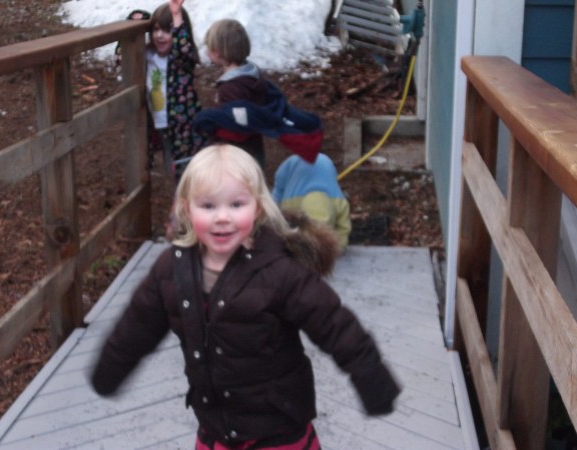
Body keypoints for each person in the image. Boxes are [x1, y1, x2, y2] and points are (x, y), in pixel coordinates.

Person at [90, 144, 400, 449]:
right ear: (186, 209)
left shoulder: (279, 272)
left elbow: (334, 324)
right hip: (216, 427)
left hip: (278, 427)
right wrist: (111, 368)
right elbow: (137, 324)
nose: (222, 217)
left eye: (236, 204)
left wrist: (371, 377)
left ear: (258, 208)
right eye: (208, 206)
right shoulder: (171, 270)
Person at [194, 19, 323, 169]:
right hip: (254, 150)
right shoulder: (252, 74)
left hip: (237, 157)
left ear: (218, 52)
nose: (207, 51)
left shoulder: (231, 88)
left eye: (209, 48)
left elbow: (238, 129)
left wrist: (213, 124)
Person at [142, 0, 204, 180]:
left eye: (167, 30)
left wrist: (177, 16)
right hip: (160, 122)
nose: (160, 35)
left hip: (182, 125)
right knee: (171, 164)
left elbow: (182, 49)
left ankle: (188, 194)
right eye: (156, 30)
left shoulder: (180, 60)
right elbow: (126, 47)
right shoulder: (149, 55)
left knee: (186, 169)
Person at [273, 153, 352, 253]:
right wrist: (337, 248)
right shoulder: (339, 203)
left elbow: (276, 198)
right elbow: (343, 228)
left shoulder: (290, 207)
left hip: (295, 195)